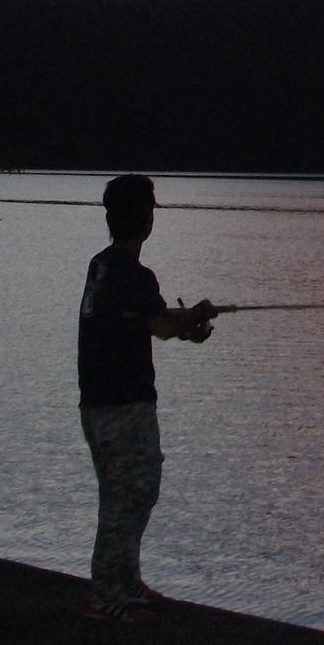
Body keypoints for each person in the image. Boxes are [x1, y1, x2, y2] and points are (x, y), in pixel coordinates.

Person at [77, 172, 214, 621]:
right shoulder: (135, 274)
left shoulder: (102, 266)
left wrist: (187, 324)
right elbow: (159, 324)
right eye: (150, 208)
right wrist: (191, 319)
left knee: (130, 491)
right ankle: (106, 596)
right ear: (143, 217)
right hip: (123, 402)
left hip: (98, 401)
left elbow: (146, 321)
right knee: (127, 495)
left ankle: (126, 582)